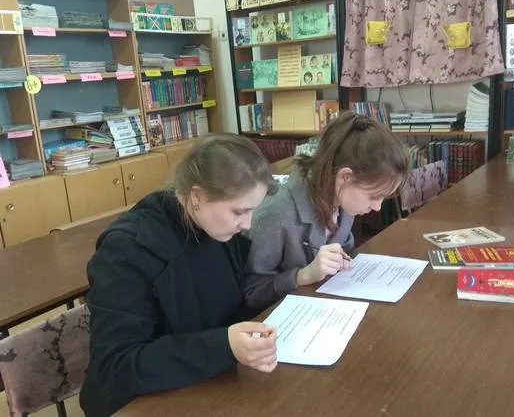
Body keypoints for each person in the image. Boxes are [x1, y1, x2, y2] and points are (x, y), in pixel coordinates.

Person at [80, 135, 278, 417]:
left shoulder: (218, 230)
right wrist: (223, 346)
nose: (247, 224)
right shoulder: (125, 251)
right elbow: (116, 367)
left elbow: (227, 310)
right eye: (239, 211)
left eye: (252, 211)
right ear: (196, 197)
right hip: (136, 403)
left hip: (201, 382)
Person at [244, 112, 410, 311]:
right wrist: (302, 276)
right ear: (345, 177)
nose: (377, 207)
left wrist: (342, 259)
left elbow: (343, 247)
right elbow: (251, 295)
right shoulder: (275, 214)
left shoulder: (343, 201)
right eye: (374, 196)